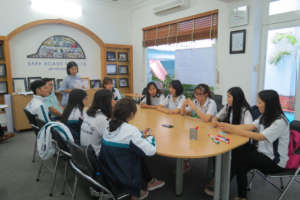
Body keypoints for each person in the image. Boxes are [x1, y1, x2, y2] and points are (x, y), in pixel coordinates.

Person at [218, 90, 289, 200]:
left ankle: (221, 188)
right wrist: (229, 127)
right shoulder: (265, 116)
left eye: (260, 103)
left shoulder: (280, 121)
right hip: (262, 153)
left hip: (274, 162)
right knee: (239, 155)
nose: (257, 105)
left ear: (269, 104)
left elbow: (260, 136)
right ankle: (232, 192)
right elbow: (249, 126)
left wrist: (232, 129)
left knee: (239, 158)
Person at [99, 98, 165, 200]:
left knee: (135, 149)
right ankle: (135, 193)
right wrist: (151, 137)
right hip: (125, 177)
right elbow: (151, 151)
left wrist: (138, 134)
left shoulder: (108, 124)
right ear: (131, 115)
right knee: (140, 153)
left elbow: (124, 134)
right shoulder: (131, 131)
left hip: (108, 173)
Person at [204, 87, 253, 196]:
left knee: (236, 161)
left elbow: (248, 128)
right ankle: (217, 177)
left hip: (243, 143)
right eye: (227, 96)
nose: (227, 99)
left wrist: (229, 127)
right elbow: (216, 117)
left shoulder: (245, 111)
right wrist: (216, 121)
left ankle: (223, 184)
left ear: (237, 98)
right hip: (230, 138)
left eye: (229, 97)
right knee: (216, 151)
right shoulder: (228, 107)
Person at [80, 89, 114, 156]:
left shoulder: (88, 114)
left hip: (84, 154)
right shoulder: (102, 119)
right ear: (106, 102)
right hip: (94, 157)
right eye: (112, 100)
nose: (114, 102)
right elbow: (112, 138)